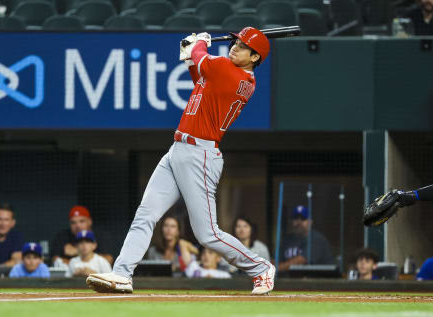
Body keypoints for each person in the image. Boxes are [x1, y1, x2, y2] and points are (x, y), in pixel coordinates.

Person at [86, 27, 275, 295]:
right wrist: (190, 58)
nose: (235, 46)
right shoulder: (226, 71)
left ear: (255, 57)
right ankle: (122, 274)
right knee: (145, 214)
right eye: (236, 41)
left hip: (201, 155)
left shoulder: (231, 72)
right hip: (179, 148)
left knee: (207, 233)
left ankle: (261, 268)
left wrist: (199, 43)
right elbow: (200, 78)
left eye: (243, 46)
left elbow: (203, 59)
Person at [278, 205, 335, 272]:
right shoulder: (287, 240)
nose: (299, 222)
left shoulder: (316, 238)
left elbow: (302, 260)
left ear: (310, 222)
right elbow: (277, 260)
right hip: (294, 280)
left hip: (320, 280)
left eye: (303, 218)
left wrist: (277, 268)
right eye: (296, 218)